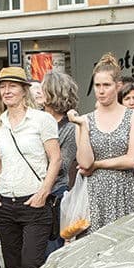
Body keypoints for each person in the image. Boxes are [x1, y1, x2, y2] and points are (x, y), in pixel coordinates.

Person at [0, 66, 60, 268]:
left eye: (12, 86)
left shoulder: (41, 120)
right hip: (5, 201)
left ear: (24, 90)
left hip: (35, 202)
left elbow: (55, 159)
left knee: (31, 262)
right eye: (2, 87)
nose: (7, 91)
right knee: (14, 267)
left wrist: (44, 192)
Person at [73, 56, 134, 232]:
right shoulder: (85, 120)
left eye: (106, 85)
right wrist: (83, 127)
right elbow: (84, 163)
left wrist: (97, 164)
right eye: (97, 85)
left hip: (125, 189)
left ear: (118, 86)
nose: (101, 91)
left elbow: (132, 160)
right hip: (94, 192)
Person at [38, 70, 82, 247]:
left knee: (51, 248)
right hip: (30, 190)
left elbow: (62, 164)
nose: (39, 92)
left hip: (55, 194)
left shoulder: (70, 127)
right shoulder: (35, 119)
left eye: (44, 88)